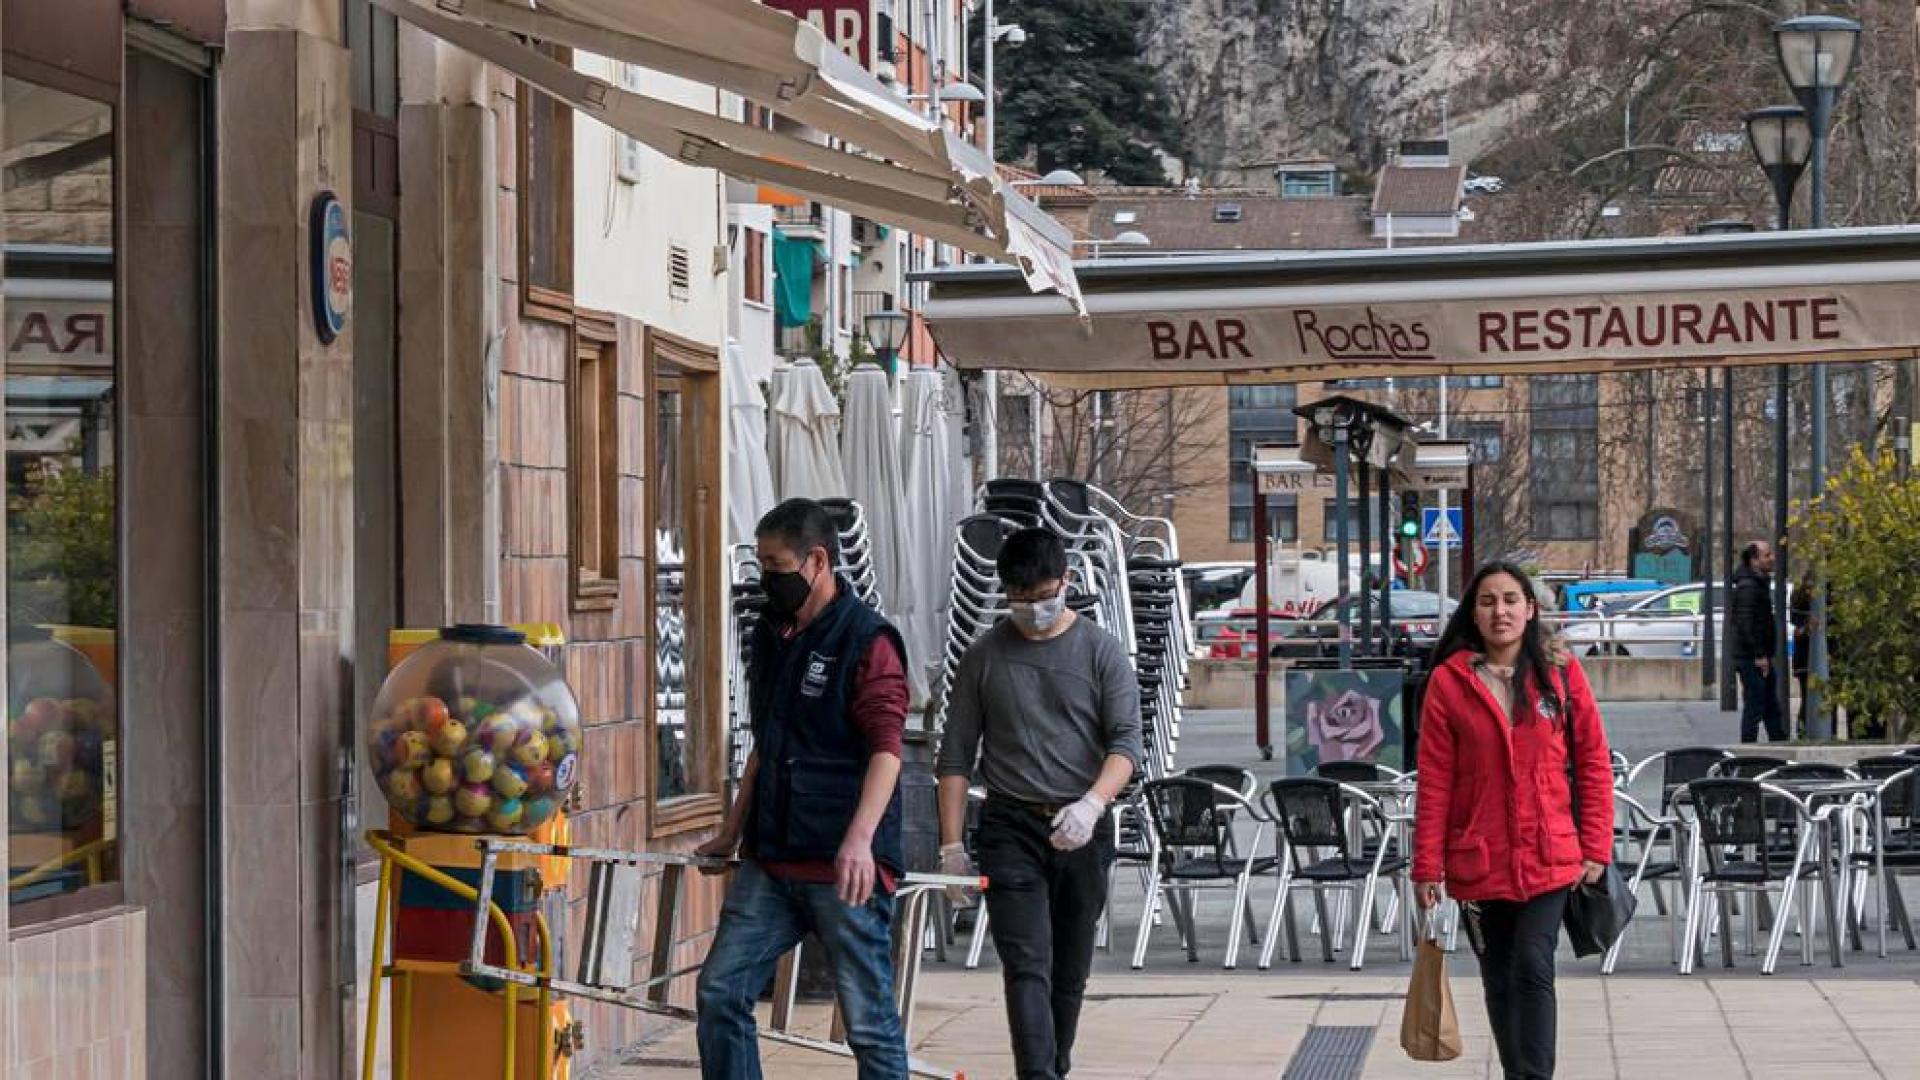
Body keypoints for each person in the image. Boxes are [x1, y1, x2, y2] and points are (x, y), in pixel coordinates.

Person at [693, 498, 910, 1079]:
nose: (766, 577)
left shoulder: (869, 642)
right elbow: (767, 741)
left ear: (817, 560)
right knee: (720, 991)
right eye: (761, 564)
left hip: (845, 866)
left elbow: (888, 751)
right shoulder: (772, 633)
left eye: (774, 563)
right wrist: (731, 830)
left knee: (869, 1024)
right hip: (774, 857)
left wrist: (860, 840)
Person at [936, 528, 1143, 1080]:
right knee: (1026, 965)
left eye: (1042, 594)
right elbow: (954, 756)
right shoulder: (984, 655)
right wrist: (952, 846)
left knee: (1069, 971)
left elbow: (1126, 744)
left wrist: (1094, 803)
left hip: (1083, 826)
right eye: (1018, 598)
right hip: (1010, 825)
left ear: (1066, 583)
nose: (1031, 609)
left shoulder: (1101, 651)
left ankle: (1054, 1067)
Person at [1413, 561, 1614, 1080]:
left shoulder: (1562, 674)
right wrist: (1426, 867)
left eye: (1510, 600)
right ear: (1473, 614)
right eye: (1487, 601)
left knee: (1532, 963)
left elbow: (1593, 760)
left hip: (1549, 854)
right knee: (1497, 977)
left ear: (1530, 609)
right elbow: (1435, 780)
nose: (1499, 611)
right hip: (1478, 859)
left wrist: (1596, 846)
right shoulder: (1449, 683)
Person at [1729, 540, 1786, 742]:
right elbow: (1747, 624)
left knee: (1770, 704)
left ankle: (1779, 743)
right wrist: (1759, 654)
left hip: (1758, 655)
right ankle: (1749, 750)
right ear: (1754, 560)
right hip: (1751, 657)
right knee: (1756, 704)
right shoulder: (1748, 587)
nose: (1772, 559)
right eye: (1767, 555)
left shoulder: (1757, 584)